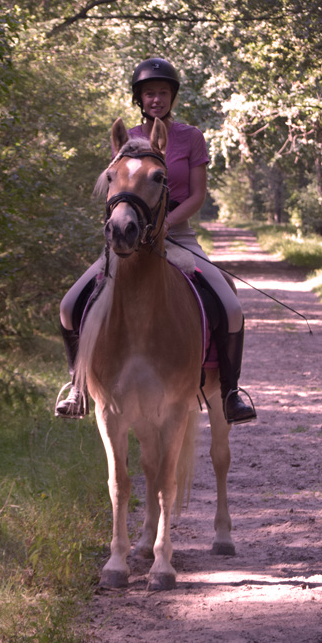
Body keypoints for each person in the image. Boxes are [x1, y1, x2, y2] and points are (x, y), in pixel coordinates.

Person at [55, 57, 256, 425]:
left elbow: (197, 195)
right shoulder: (126, 139)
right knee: (69, 306)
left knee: (230, 306)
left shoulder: (191, 137)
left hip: (177, 237)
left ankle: (230, 392)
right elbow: (118, 188)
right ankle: (78, 387)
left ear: (172, 97)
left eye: (163, 93)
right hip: (131, 242)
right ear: (139, 98)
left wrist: (167, 225)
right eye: (149, 94)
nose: (156, 100)